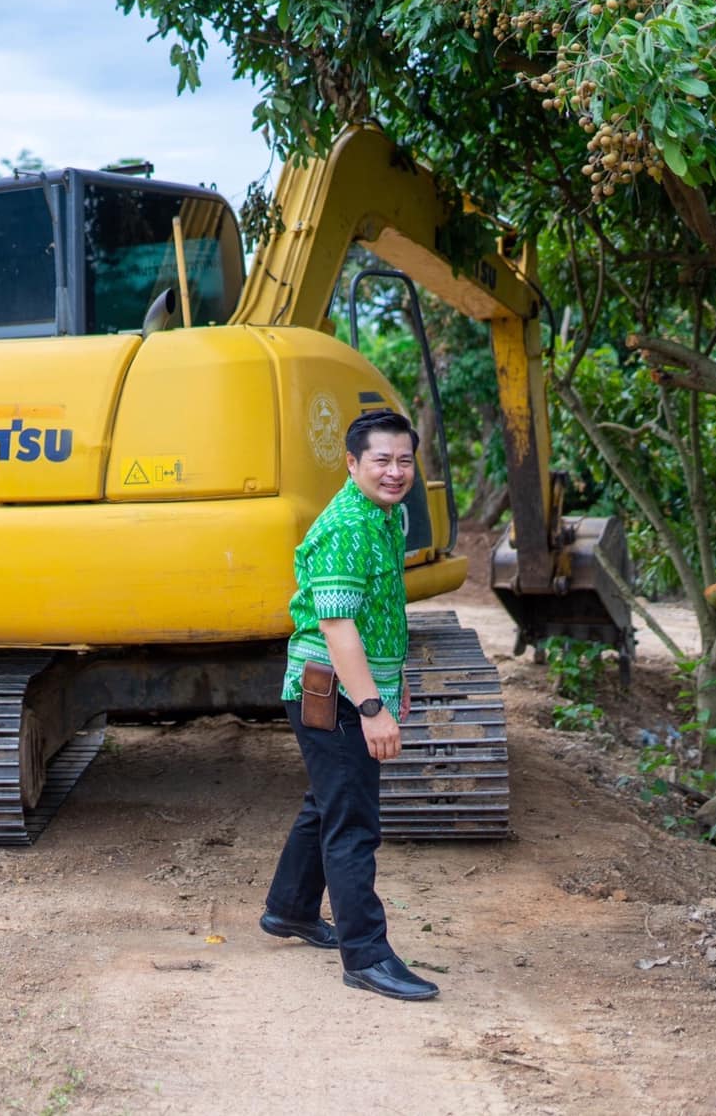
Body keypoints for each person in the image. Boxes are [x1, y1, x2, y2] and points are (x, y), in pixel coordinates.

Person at [258, 407, 440, 1002]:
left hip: (354, 687)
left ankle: (290, 909)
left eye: (404, 460)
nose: (394, 472)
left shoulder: (387, 515)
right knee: (353, 822)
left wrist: (396, 682)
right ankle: (366, 955)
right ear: (353, 463)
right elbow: (338, 627)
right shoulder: (347, 526)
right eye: (381, 461)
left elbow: (382, 611)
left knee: (328, 801)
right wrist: (371, 709)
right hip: (331, 693)